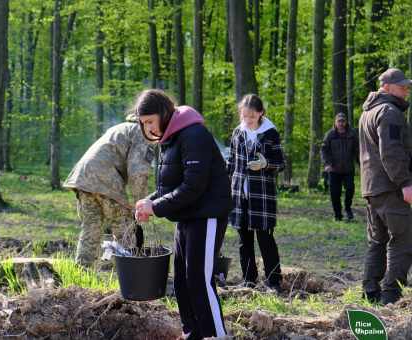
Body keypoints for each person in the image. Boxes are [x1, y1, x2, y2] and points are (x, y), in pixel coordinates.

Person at [134, 89, 231, 339]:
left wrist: (156, 207)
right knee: (182, 281)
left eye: (150, 121)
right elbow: (169, 187)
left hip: (206, 215)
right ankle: (193, 332)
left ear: (164, 113)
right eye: (144, 124)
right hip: (187, 217)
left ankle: (214, 336)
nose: (149, 128)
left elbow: (193, 186)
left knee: (200, 280)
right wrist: (149, 200)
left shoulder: (193, 134)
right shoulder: (171, 138)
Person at [64, 114, 153, 267]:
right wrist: (142, 204)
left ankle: (82, 271)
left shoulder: (119, 128)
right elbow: (138, 173)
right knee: (124, 229)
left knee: (90, 227)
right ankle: (131, 277)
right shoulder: (140, 132)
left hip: (84, 178)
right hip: (106, 180)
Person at [359, 68, 412, 305]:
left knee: (377, 241)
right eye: (402, 86)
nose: (406, 90)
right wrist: (405, 183)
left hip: (372, 188)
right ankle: (390, 295)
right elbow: (391, 152)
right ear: (387, 88)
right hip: (390, 188)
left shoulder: (368, 113)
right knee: (404, 239)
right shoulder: (389, 112)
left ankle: (370, 292)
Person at [227, 94, 285, 292]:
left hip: (262, 195)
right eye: (244, 116)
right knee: (244, 241)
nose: (247, 120)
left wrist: (265, 164)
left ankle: (274, 281)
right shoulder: (237, 132)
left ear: (260, 113)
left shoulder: (270, 133)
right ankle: (249, 280)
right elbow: (231, 163)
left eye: (251, 117)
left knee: (265, 239)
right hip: (239, 194)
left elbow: (280, 163)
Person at [321, 112, 359, 221]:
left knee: (350, 189)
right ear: (335, 122)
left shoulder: (352, 134)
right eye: (339, 121)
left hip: (348, 169)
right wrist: (327, 164)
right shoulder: (330, 135)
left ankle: (348, 208)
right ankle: (338, 214)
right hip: (333, 169)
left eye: (343, 121)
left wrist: (361, 164)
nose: (341, 123)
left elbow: (357, 150)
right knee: (335, 193)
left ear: (346, 122)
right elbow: (324, 150)